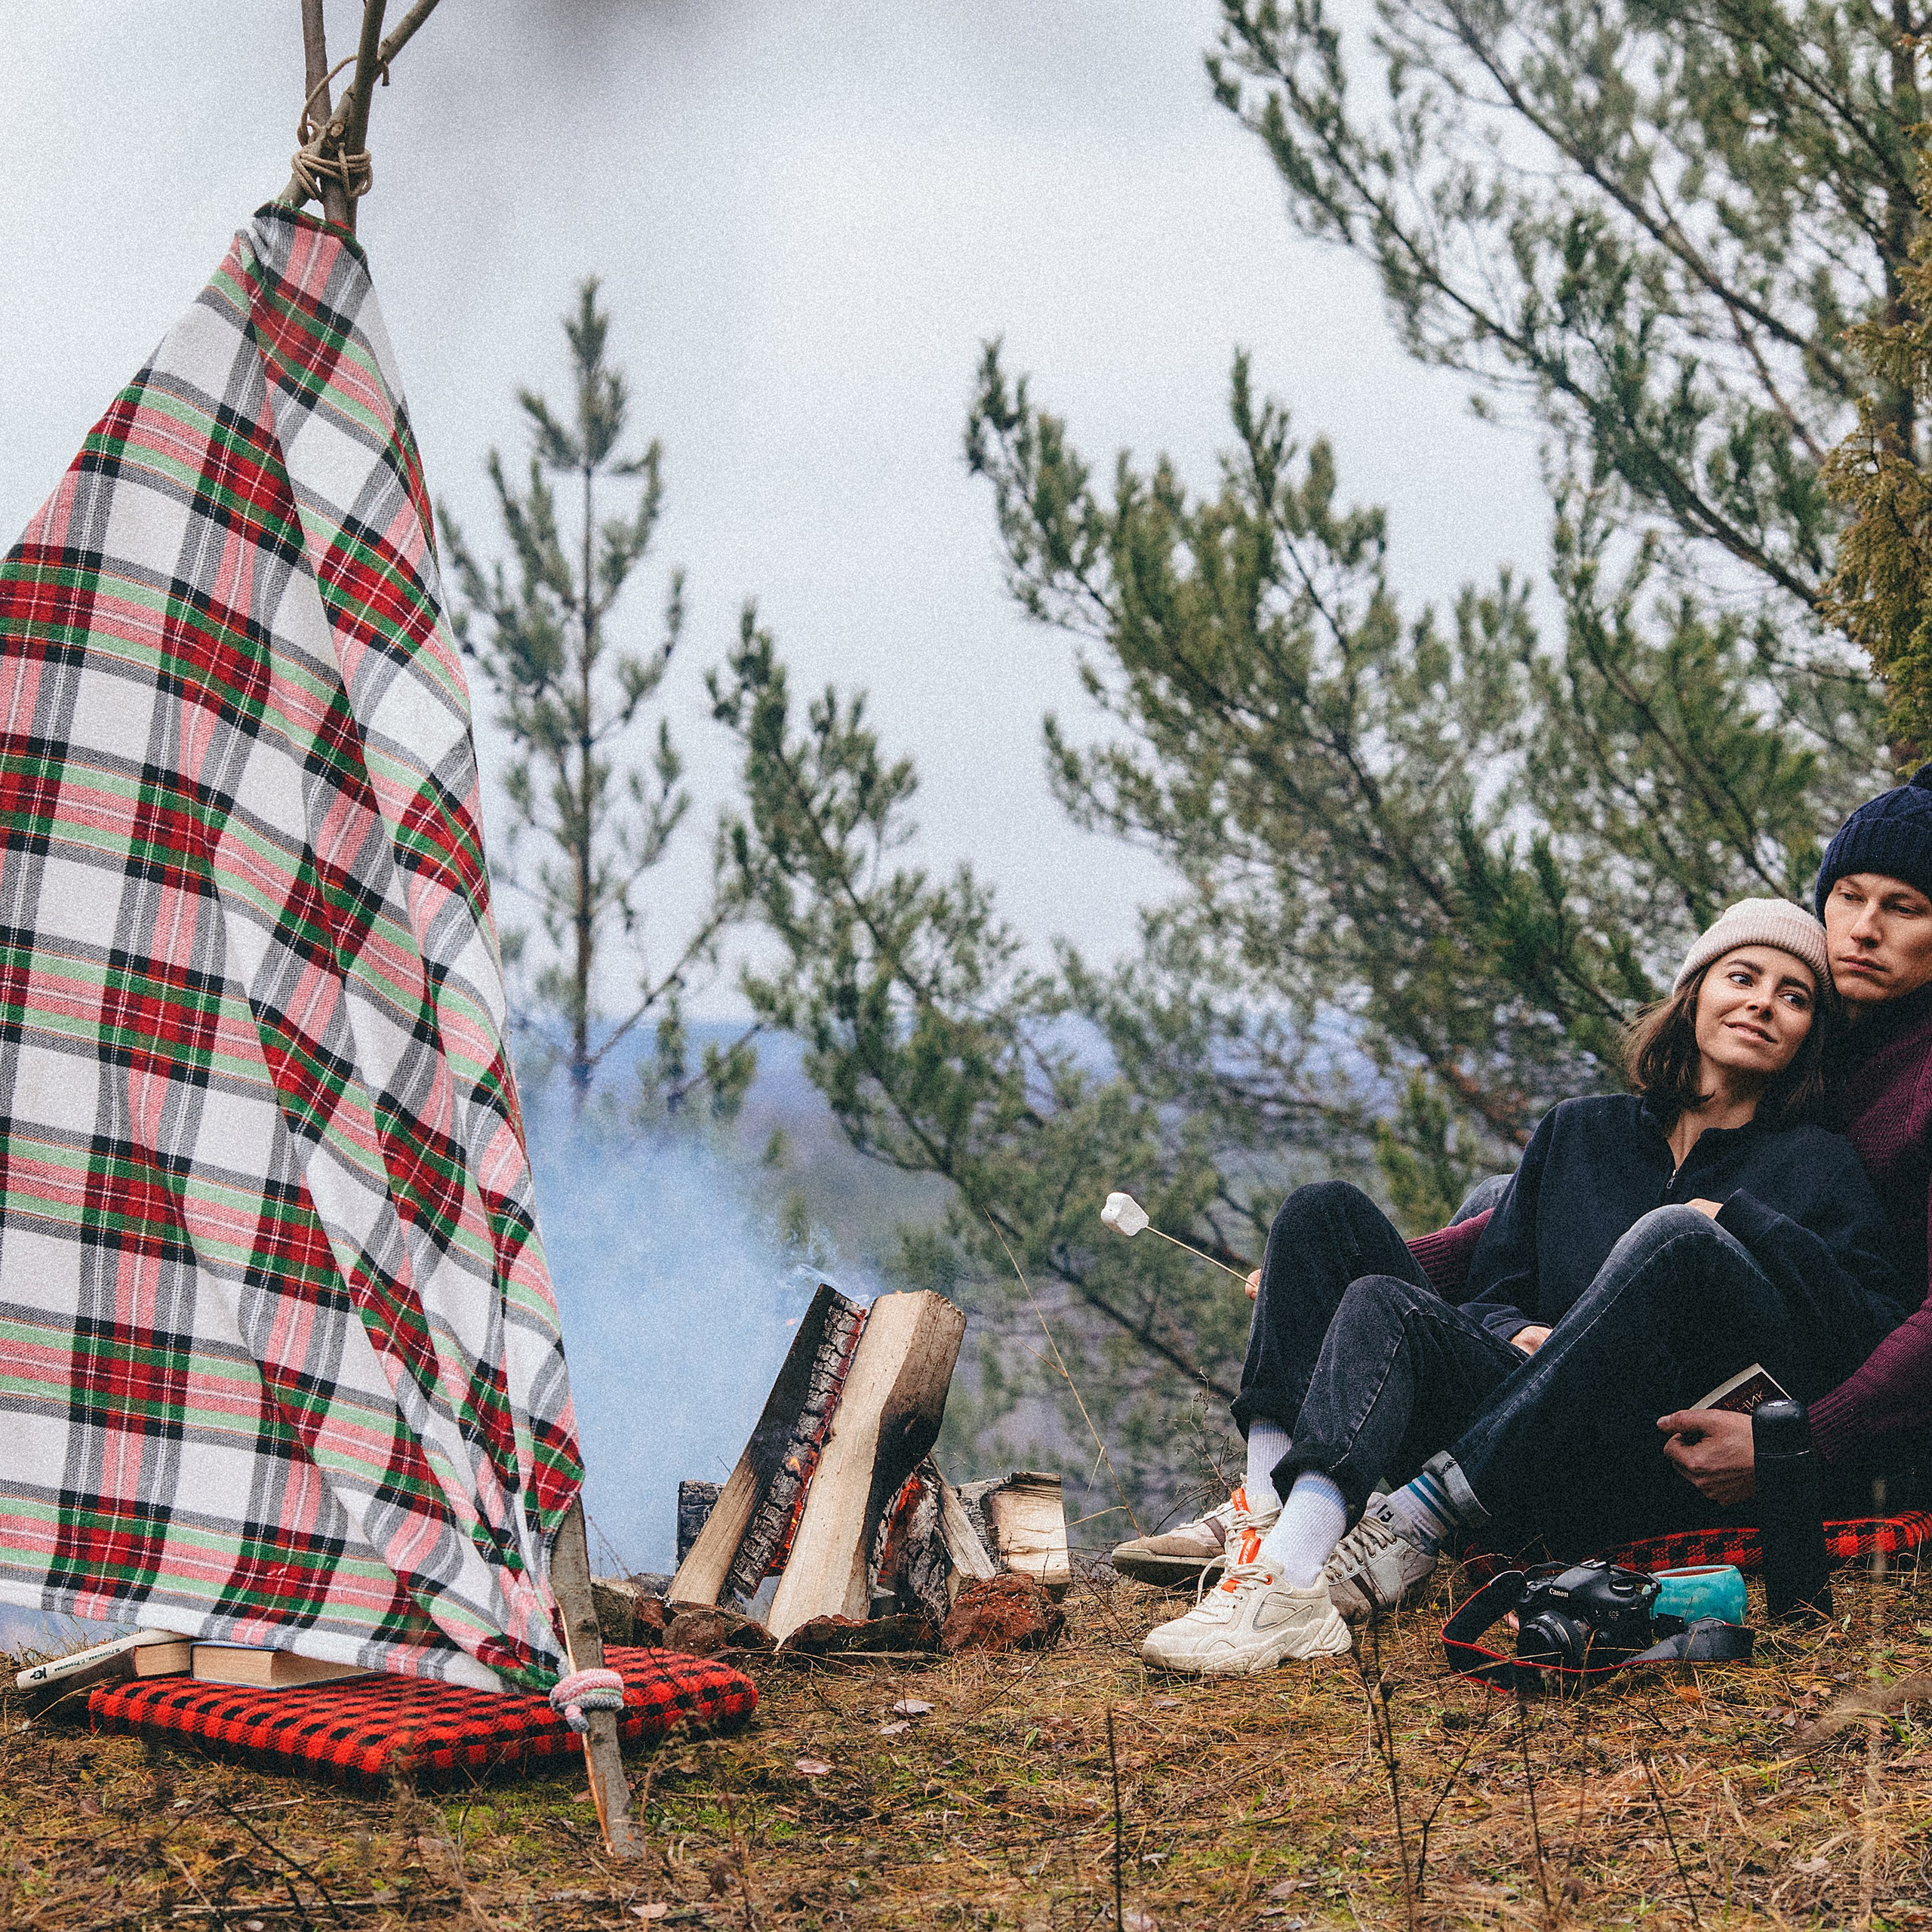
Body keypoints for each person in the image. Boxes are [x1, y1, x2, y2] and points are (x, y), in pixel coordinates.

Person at [1131, 900, 1906, 1675]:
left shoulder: (1820, 1164)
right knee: (1323, 1218)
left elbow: (1864, 1327)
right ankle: (1274, 1544)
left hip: (1641, 1458)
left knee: (1673, 1232)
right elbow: (1492, 1289)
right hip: (1511, 1432)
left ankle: (1399, 1527)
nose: (1762, 1003)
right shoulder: (1578, 1131)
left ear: (1808, 1035)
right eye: (1742, 976)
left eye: (1794, 996)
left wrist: (1739, 1218)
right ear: (1694, 992)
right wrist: (1509, 1333)